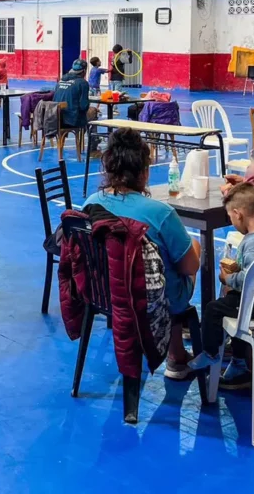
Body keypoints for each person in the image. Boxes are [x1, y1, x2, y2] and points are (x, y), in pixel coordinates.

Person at [83, 128, 201, 379]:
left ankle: (174, 351)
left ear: (108, 170)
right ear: (145, 172)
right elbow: (190, 267)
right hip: (151, 300)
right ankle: (176, 355)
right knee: (189, 251)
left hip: (105, 293)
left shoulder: (90, 203)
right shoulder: (161, 213)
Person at [188, 182, 254, 372]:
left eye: (230, 217)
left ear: (238, 214)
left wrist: (228, 278)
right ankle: (239, 359)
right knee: (232, 305)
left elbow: (252, 279)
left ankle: (210, 352)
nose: (231, 222)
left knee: (213, 309)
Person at [52, 59, 96, 128]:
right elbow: (83, 107)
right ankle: (87, 134)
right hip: (72, 120)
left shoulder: (60, 81)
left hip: (56, 118)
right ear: (84, 71)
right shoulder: (82, 83)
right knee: (94, 111)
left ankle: (64, 134)